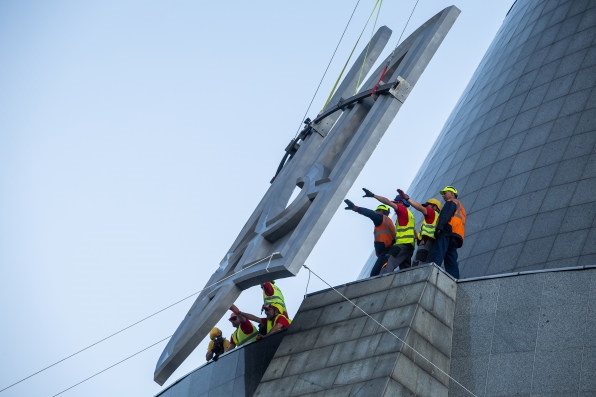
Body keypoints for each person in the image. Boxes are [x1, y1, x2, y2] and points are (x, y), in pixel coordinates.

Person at [362, 188, 415, 273]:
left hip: (402, 245)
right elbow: (413, 232)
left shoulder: (402, 210)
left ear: (401, 203)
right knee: (405, 272)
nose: (394, 206)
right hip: (409, 247)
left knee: (387, 266)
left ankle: (381, 284)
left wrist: (373, 195)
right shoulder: (409, 216)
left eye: (396, 203)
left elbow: (387, 202)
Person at [344, 198, 396, 277]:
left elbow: (370, 213)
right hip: (389, 251)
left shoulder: (381, 218)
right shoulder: (388, 222)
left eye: (377, 211)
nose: (376, 212)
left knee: (375, 275)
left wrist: (356, 208)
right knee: (382, 272)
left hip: (386, 252)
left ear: (382, 211)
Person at [427, 185, 466, 279]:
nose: (443, 196)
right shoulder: (461, 207)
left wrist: (439, 228)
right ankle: (454, 280)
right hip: (456, 235)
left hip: (447, 231)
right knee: (451, 259)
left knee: (438, 252)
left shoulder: (451, 202)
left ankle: (429, 275)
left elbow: (445, 215)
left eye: (445, 193)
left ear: (452, 194)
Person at [396, 188, 442, 266]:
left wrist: (407, 199)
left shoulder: (432, 213)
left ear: (435, 207)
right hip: (430, 242)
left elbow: (419, 207)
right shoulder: (437, 217)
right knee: (425, 262)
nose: (426, 207)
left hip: (426, 242)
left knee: (418, 263)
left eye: (428, 205)